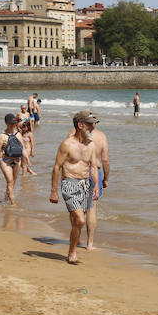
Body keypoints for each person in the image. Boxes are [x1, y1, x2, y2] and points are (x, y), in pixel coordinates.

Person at [49, 111, 100, 264]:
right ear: (80, 125)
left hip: (86, 185)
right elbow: (57, 167)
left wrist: (96, 185)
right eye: (90, 123)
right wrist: (53, 191)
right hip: (70, 183)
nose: (93, 127)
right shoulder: (67, 145)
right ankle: (72, 253)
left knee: (76, 222)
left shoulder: (91, 145)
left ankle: (72, 251)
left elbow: (93, 167)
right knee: (80, 219)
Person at [75, 109, 109, 250]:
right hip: (94, 171)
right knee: (91, 209)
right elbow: (105, 160)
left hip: (78, 171)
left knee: (77, 208)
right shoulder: (101, 136)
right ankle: (89, 244)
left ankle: (75, 239)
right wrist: (106, 178)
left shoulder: (74, 133)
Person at [0, 113, 23, 205]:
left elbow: (23, 149)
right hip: (5, 161)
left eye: (14, 123)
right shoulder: (2, 136)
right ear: (6, 123)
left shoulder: (18, 134)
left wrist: (27, 160)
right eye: (10, 123)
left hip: (17, 161)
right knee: (10, 181)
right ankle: (13, 204)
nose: (12, 125)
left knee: (12, 183)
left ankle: (6, 198)